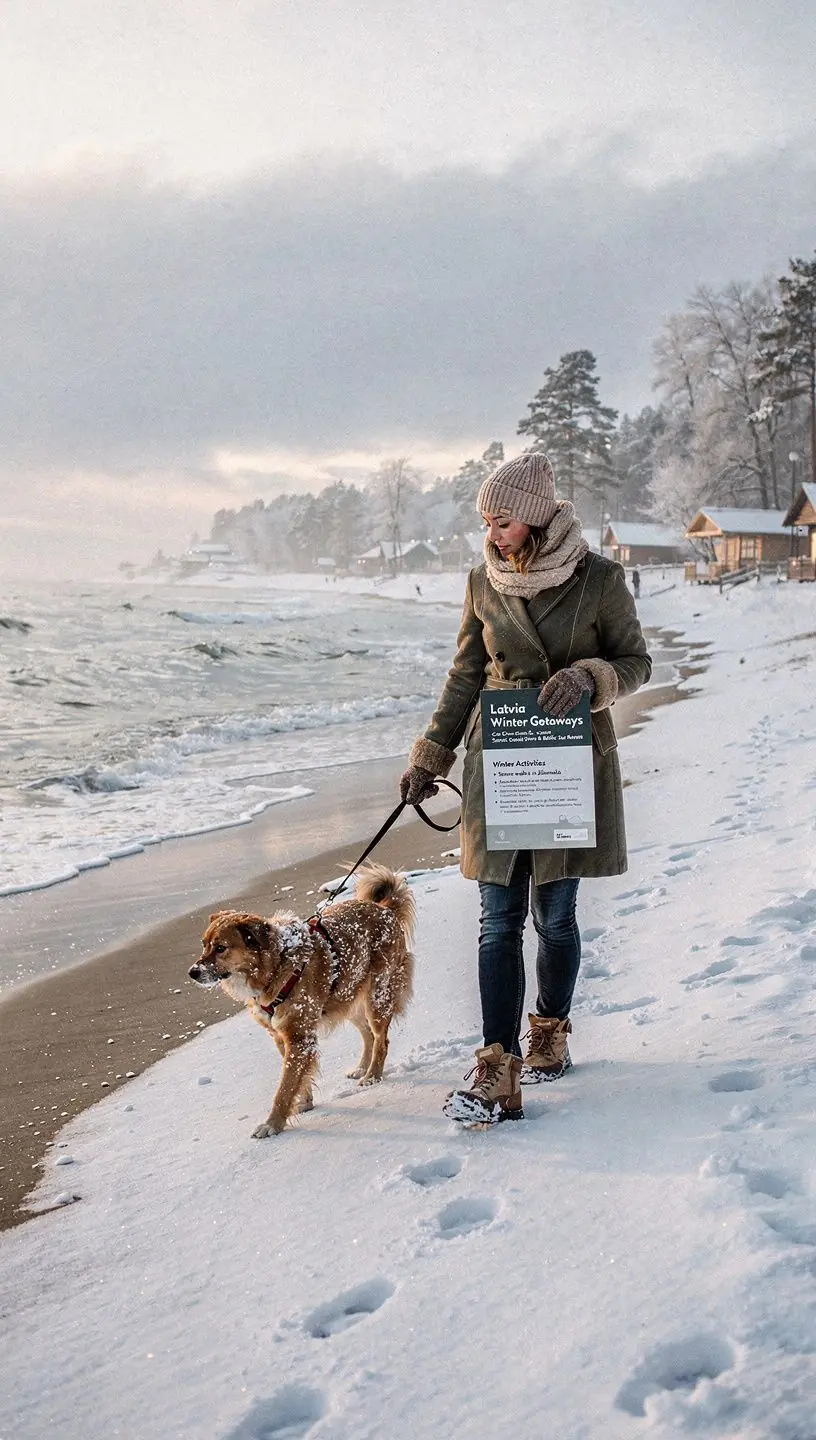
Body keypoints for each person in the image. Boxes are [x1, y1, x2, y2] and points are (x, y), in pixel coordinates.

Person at [399, 453, 652, 1126]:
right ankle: (496, 1065)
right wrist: (431, 754)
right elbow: (464, 675)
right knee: (497, 921)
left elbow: (636, 662)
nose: (492, 531)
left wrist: (591, 677)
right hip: (500, 763)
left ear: (536, 518)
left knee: (556, 917)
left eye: (503, 519)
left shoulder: (599, 579)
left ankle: (549, 1030)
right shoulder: (482, 582)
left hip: (568, 765)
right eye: (484, 519)